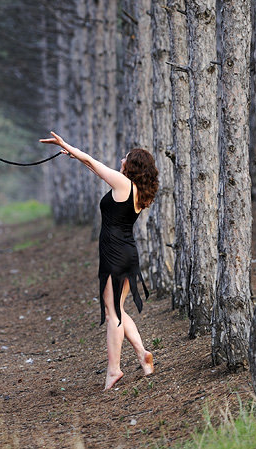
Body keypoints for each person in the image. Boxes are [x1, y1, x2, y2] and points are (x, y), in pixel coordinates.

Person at [40, 131, 158, 390]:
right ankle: (142, 354)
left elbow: (94, 163)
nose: (120, 160)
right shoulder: (131, 189)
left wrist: (65, 144)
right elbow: (95, 168)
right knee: (117, 308)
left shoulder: (123, 184)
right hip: (124, 253)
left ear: (132, 166)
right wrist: (74, 156)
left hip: (116, 256)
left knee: (112, 312)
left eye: (125, 159)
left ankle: (114, 370)